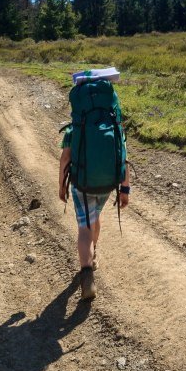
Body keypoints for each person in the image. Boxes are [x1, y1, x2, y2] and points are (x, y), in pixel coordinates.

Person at [58, 126, 130, 300]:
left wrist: (61, 186)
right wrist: (125, 189)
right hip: (106, 184)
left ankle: (88, 277)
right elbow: (124, 159)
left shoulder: (73, 130)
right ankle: (94, 252)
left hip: (81, 184)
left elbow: (65, 158)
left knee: (84, 228)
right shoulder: (115, 128)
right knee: (94, 215)